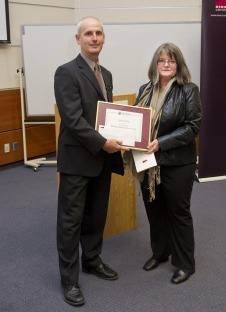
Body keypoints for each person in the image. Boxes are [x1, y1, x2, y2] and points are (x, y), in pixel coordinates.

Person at [54, 16, 129, 307]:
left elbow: (104, 115)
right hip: (77, 159)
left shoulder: (105, 73)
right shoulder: (66, 72)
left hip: (101, 159)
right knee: (70, 221)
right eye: (88, 34)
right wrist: (103, 142)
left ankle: (92, 260)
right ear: (78, 39)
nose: (94, 38)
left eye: (98, 33)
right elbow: (72, 120)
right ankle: (69, 280)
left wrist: (117, 138)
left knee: (96, 215)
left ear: (103, 38)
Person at [132, 43, 201, 284]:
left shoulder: (189, 90)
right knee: (154, 210)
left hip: (177, 162)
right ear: (155, 64)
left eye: (171, 60)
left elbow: (193, 127)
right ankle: (160, 253)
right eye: (162, 60)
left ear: (178, 64)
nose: (166, 64)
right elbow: (136, 121)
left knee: (178, 212)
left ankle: (185, 263)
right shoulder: (144, 89)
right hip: (148, 162)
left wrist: (161, 142)